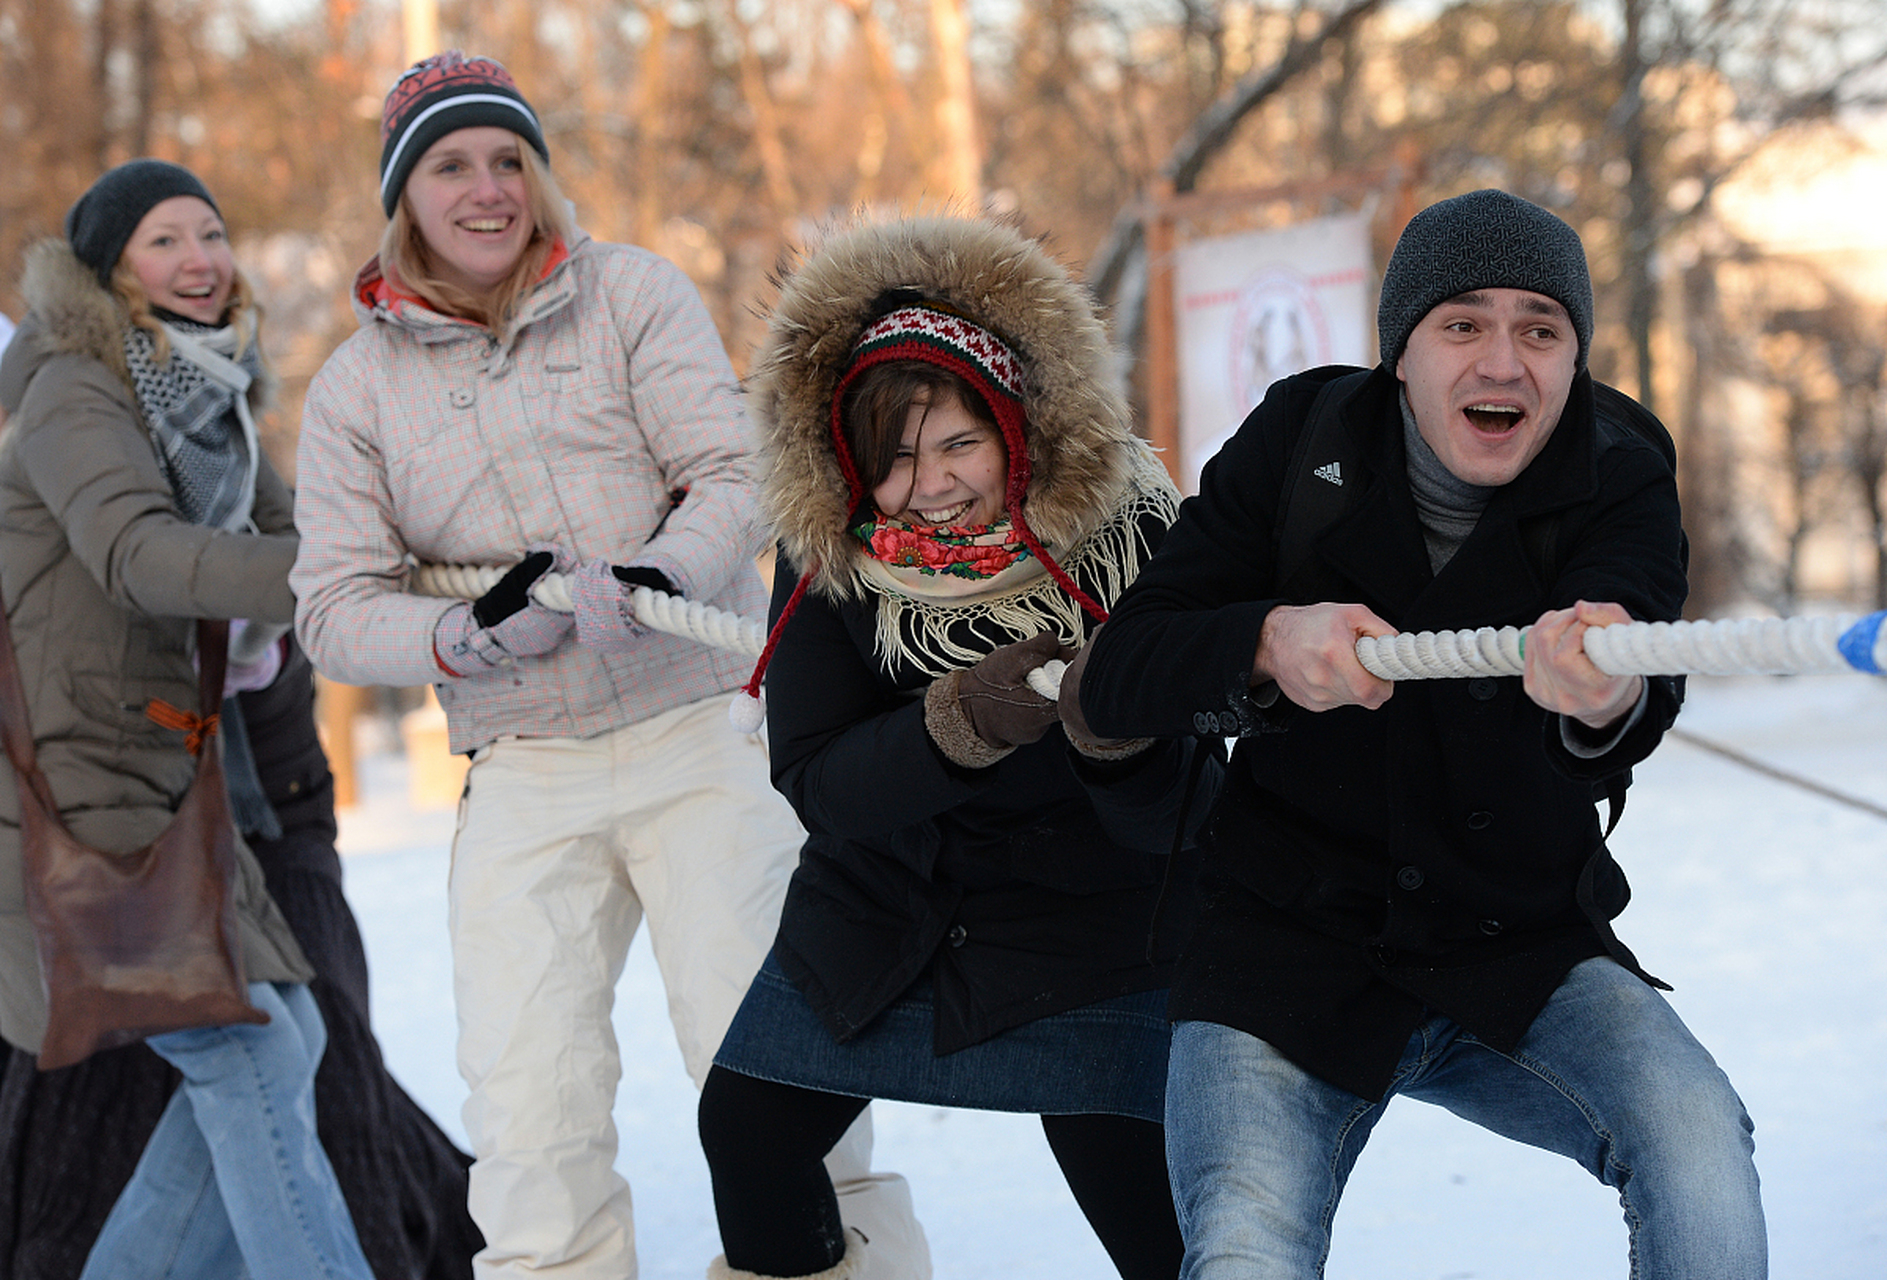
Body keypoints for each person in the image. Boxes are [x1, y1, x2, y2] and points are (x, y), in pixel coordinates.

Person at [290, 51, 927, 1280]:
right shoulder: (355, 389)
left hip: (700, 724)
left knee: (784, 1058)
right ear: (404, 196)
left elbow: (740, 474)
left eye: (509, 160)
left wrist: (663, 574)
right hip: (526, 756)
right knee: (531, 1106)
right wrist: (465, 632)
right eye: (451, 165)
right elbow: (331, 607)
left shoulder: (630, 293)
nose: (488, 189)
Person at [1075, 188, 1766, 1278]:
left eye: (1541, 328)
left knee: (1703, 1157)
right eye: (1464, 324)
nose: (1503, 360)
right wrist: (1264, 640)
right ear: (1401, 352)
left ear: (1574, 358)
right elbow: (1119, 676)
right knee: (1242, 1248)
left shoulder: (1621, 465)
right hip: (1284, 947)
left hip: (1522, 937)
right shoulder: (1298, 440)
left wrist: (1601, 687)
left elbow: (1637, 662)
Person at [695, 214, 1217, 1280]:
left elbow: (1191, 816)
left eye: (958, 443)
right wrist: (955, 726)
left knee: (1156, 1219)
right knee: (746, 1127)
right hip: (885, 911)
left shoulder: (1136, 541)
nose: (929, 484)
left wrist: (1117, 745)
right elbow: (815, 776)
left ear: (1017, 427)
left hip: (1098, 926)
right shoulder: (834, 557)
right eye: (892, 457)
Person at [0, 159, 373, 1280]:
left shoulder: (212, 395)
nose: (200, 260)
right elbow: (136, 553)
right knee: (246, 1048)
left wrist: (394, 564)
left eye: (209, 233)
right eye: (165, 241)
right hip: (73, 779)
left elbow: (296, 530)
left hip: (165, 773)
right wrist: (333, 578)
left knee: (282, 1040)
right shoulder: (74, 385)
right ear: (111, 269)